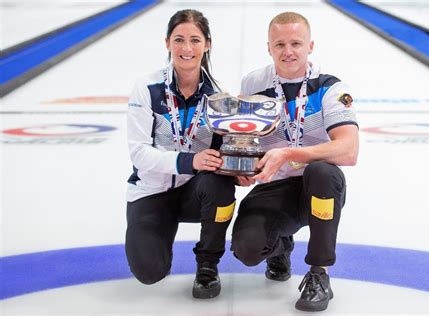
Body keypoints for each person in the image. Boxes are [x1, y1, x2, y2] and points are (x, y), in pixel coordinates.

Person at [230, 12, 359, 312]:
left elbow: (349, 150)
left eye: (296, 43)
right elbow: (240, 143)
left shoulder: (331, 87)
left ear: (310, 45)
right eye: (280, 44)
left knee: (322, 172)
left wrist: (290, 153)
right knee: (246, 250)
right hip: (275, 186)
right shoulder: (252, 84)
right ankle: (280, 246)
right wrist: (241, 168)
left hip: (318, 188)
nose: (288, 51)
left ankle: (318, 274)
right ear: (269, 47)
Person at [125, 9, 236, 299]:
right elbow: (139, 153)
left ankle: (207, 266)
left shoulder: (218, 97)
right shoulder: (147, 88)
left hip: (192, 193)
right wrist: (189, 161)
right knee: (150, 272)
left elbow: (218, 152)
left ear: (207, 44)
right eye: (179, 40)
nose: (187, 49)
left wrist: (237, 167)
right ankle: (159, 237)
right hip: (151, 193)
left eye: (195, 40)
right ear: (167, 43)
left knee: (220, 183)